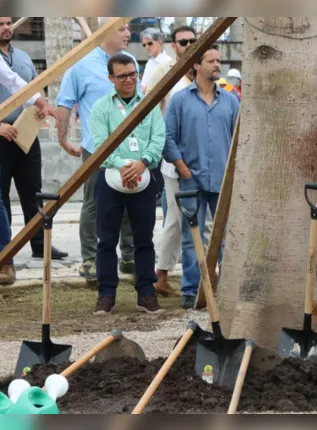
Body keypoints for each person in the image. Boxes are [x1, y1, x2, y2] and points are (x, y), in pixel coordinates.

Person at [56, 19, 140, 284]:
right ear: (105, 32)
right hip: (96, 150)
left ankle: (128, 257)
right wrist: (63, 138)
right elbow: (65, 103)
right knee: (94, 205)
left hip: (129, 149)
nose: (128, 33)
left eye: (128, 28)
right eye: (122, 29)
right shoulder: (81, 65)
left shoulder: (130, 63)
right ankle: (90, 260)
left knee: (130, 201)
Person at [163, 45, 239, 309]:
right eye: (211, 61)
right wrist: (183, 169)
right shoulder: (180, 100)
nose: (217, 65)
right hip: (190, 179)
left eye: (219, 60)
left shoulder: (230, 100)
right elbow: (168, 138)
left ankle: (226, 287)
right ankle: (192, 289)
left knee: (227, 235)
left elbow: (238, 139)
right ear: (196, 65)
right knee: (190, 236)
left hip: (223, 179)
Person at [90, 54, 165, 315]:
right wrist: (123, 165)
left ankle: (146, 292)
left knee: (144, 239)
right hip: (111, 178)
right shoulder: (101, 108)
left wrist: (142, 162)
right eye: (122, 76)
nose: (129, 80)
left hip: (145, 176)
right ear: (111, 78)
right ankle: (106, 293)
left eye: (133, 74)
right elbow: (100, 143)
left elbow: (158, 138)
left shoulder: (149, 105)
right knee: (106, 240)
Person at [0, 16, 69, 265]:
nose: (6, 27)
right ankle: (3, 250)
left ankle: (38, 243)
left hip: (26, 134)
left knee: (33, 191)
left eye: (7, 23)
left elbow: (28, 86)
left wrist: (41, 103)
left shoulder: (24, 58)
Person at [0, 49, 55, 285]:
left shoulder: (11, 56)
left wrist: (39, 100)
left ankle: (4, 259)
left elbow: (13, 80)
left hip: (9, 131)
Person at [145, 25, 199, 298]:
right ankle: (161, 276)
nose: (188, 45)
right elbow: (148, 107)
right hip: (173, 161)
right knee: (177, 220)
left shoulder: (201, 74)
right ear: (173, 45)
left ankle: (191, 274)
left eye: (192, 40)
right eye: (182, 42)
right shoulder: (166, 72)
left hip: (204, 160)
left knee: (196, 221)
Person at [140, 27, 173, 94]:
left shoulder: (168, 62)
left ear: (160, 42)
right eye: (144, 45)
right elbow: (143, 87)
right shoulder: (150, 62)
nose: (147, 47)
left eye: (150, 43)